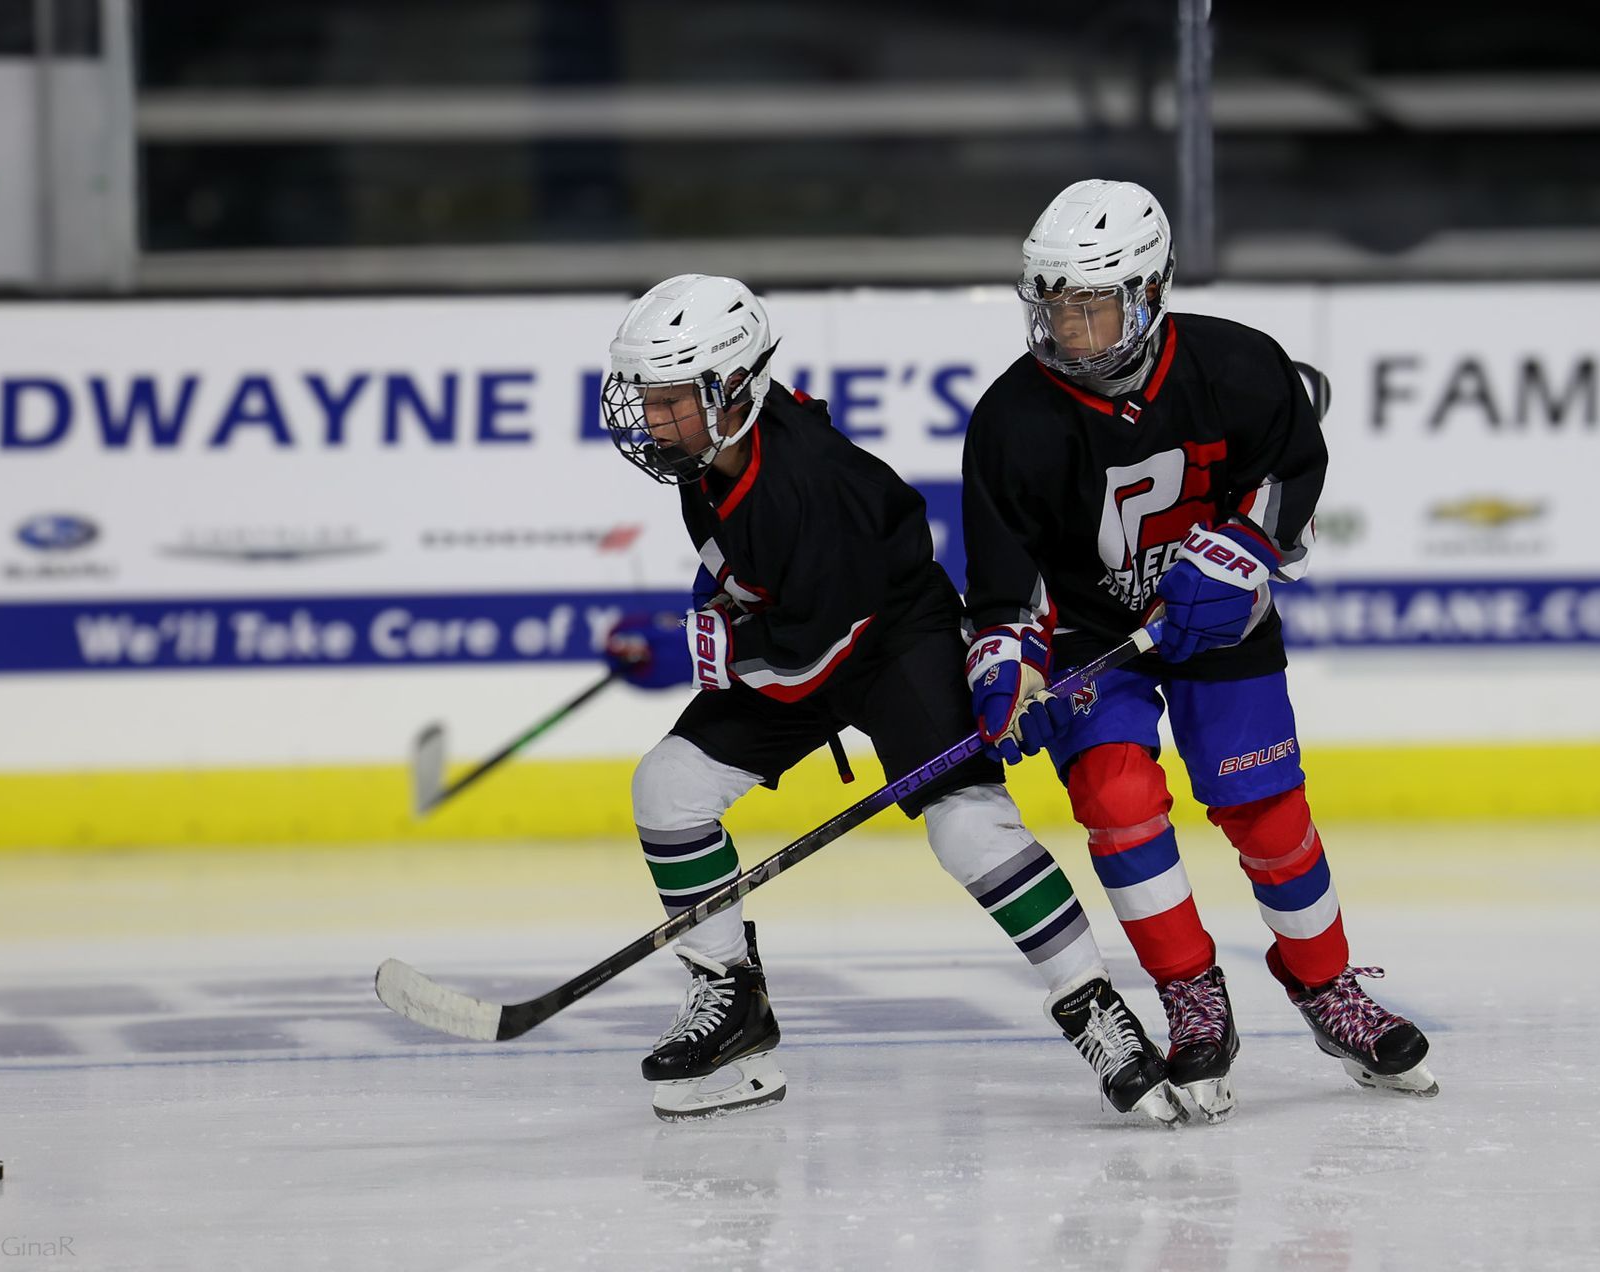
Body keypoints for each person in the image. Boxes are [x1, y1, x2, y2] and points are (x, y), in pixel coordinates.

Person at [597, 273, 1185, 1124]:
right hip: (806, 633)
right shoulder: (714, 451)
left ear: (731, 391)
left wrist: (721, 646)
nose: (653, 419)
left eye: (671, 400)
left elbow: (810, 662)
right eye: (648, 398)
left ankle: (1095, 1009)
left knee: (970, 828)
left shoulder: (803, 484)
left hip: (892, 642)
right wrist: (718, 602)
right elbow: (769, 585)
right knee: (668, 789)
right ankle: (732, 1004)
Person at [959, 180, 1438, 1122]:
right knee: (1118, 802)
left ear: (1150, 290)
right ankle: (1189, 993)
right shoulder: (1012, 419)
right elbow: (1007, 583)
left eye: (1093, 307)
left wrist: (1245, 550)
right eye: (1055, 307)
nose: (1071, 331)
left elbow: (1292, 469)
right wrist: (1007, 663)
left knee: (1265, 806)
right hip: (1097, 638)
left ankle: (1323, 985)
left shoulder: (1238, 364)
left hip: (1221, 619)